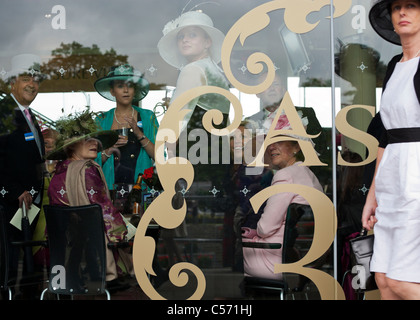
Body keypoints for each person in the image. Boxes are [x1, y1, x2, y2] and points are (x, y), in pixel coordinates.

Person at [362, 0, 420, 300]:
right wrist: (372, 196)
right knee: (383, 279)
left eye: (411, 5)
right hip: (391, 181)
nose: (402, 13)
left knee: (401, 281)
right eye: (397, 7)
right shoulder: (395, 65)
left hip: (416, 183)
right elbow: (385, 136)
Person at [46, 109, 133, 287]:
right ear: (71, 145)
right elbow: (104, 210)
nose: (94, 143)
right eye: (87, 139)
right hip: (93, 248)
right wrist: (126, 229)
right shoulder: (87, 169)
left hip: (63, 252)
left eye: (95, 139)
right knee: (135, 233)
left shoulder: (58, 172)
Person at [241, 115, 323, 280]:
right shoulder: (309, 175)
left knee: (239, 245)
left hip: (272, 259)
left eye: (279, 141)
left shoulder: (285, 176)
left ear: (297, 147)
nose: (271, 147)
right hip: (301, 258)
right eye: (270, 142)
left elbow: (265, 228)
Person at [0, 54, 46, 298]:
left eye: (36, 80)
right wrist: (14, 189)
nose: (32, 85)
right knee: (7, 263)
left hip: (30, 204)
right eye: (26, 78)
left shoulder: (29, 115)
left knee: (26, 259)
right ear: (11, 84)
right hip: (10, 203)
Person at [94, 64, 158, 191]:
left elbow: (159, 155)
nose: (126, 90)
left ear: (135, 90)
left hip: (141, 186)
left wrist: (139, 133)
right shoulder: (101, 120)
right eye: (120, 86)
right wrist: (111, 149)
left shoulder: (148, 116)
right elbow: (93, 162)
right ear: (112, 91)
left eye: (130, 85)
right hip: (110, 187)